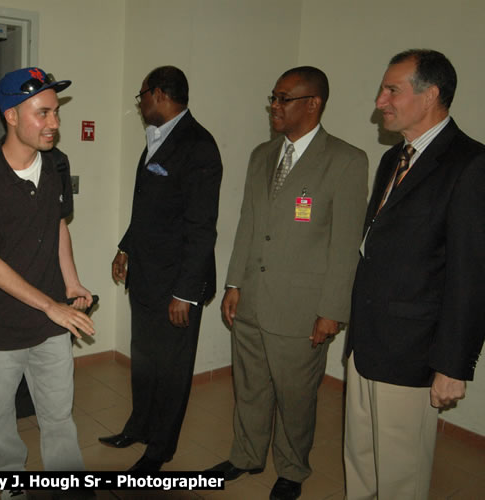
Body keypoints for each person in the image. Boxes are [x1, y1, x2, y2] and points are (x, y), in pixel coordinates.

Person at [206, 66, 368, 500]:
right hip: (253, 300)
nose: (274, 107)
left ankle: (293, 469)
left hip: (303, 308)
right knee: (251, 386)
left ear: (313, 104)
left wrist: (332, 310)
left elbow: (345, 244)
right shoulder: (263, 154)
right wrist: (233, 282)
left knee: (296, 397)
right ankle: (246, 455)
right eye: (273, 98)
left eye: (283, 98)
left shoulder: (347, 160)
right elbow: (248, 223)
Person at [344, 49, 485, 500]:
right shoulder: (393, 158)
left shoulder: (470, 164)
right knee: (361, 463)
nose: (379, 101)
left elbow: (471, 275)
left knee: (400, 477)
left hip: (413, 353)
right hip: (366, 343)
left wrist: (452, 365)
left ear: (431, 96)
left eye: (392, 90)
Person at [0, 67, 94, 500]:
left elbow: (57, 226)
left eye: (55, 112)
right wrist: (51, 305)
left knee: (58, 417)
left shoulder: (56, 164)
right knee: (1, 424)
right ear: (11, 115)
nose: (53, 123)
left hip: (51, 323)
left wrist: (71, 285)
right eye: (42, 113)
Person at [98, 66, 222, 472]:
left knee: (171, 368)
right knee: (145, 357)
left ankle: (160, 448)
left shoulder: (199, 146)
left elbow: (202, 227)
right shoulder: (156, 139)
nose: (139, 104)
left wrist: (185, 292)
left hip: (177, 283)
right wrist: (125, 247)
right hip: (147, 275)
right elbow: (150, 207)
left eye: (141, 96)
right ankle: (140, 426)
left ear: (159, 94)